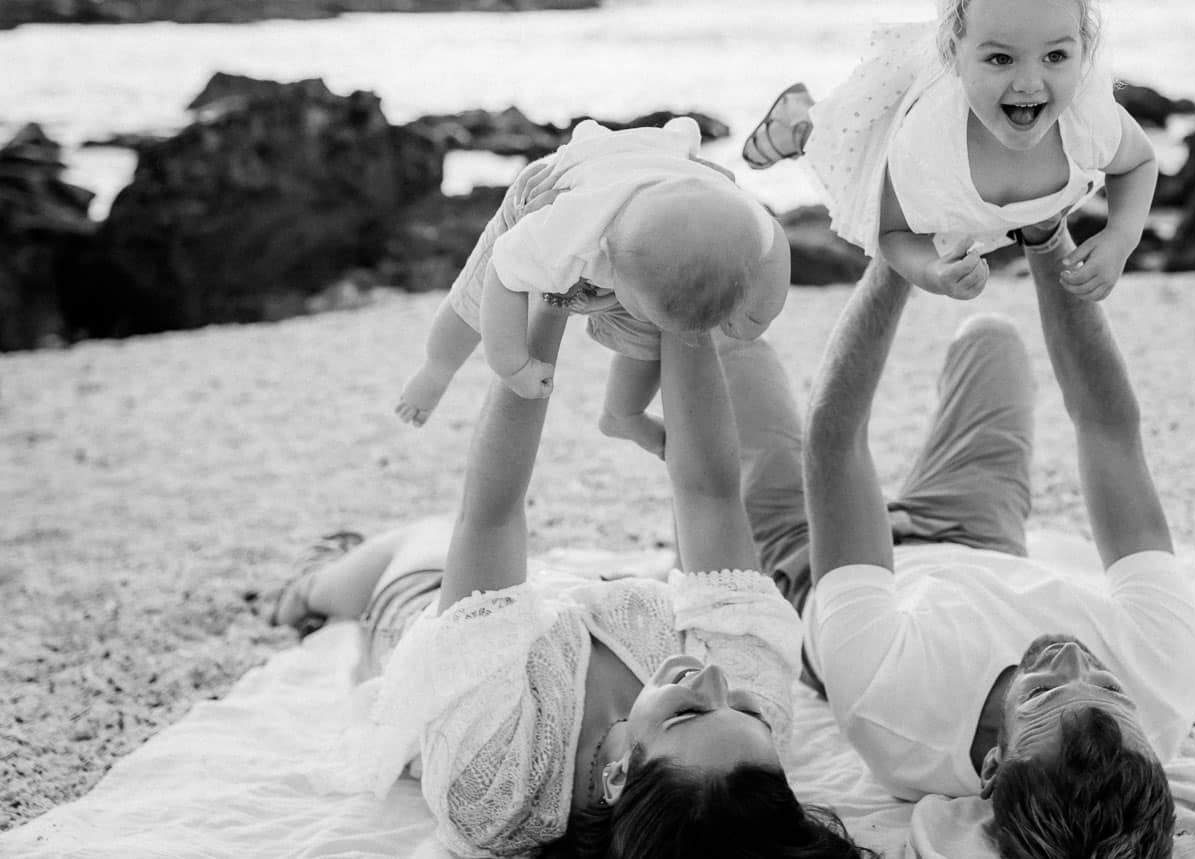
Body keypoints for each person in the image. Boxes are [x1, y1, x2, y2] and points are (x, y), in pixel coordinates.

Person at [281, 307, 867, 858]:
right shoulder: (745, 739)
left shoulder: (495, 794)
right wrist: (681, 315)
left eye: (687, 713)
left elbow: (490, 515)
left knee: (419, 544)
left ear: (615, 778)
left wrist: (547, 307)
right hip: (571, 600)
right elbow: (711, 496)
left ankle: (306, 586)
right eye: (744, 711)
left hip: (420, 616)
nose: (717, 681)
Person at [723, 236, 1195, 859]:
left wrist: (895, 254)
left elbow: (837, 445)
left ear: (992, 767)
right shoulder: (1167, 679)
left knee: (735, 347)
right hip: (977, 534)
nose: (1070, 658)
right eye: (1110, 686)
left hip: (812, 563)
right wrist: (1048, 235)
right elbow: (1109, 430)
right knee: (991, 337)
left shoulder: (893, 710)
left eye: (1041, 692)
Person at [743, 0, 1156, 306]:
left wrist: (1121, 236)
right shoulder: (925, 146)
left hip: (1005, 208)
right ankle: (799, 124)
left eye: (1055, 56)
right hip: (912, 135)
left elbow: (1138, 163)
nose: (1029, 82)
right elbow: (892, 232)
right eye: (1000, 59)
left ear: (1084, 49)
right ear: (953, 53)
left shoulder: (1089, 119)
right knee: (837, 145)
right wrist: (932, 272)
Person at [395, 116, 791, 461]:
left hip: (667, 177)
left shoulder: (743, 220)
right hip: (564, 188)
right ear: (611, 264)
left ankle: (623, 416)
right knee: (473, 298)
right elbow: (503, 273)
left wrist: (757, 316)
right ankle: (435, 368)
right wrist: (513, 365)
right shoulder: (567, 228)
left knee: (652, 339)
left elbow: (774, 240)